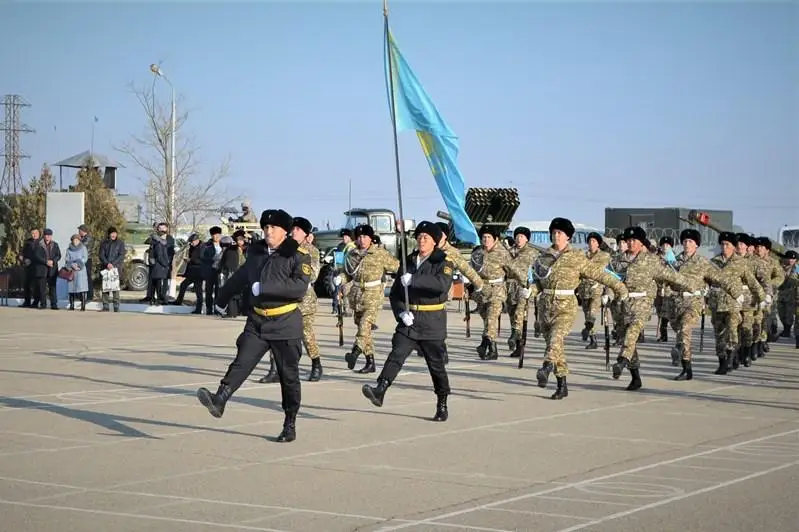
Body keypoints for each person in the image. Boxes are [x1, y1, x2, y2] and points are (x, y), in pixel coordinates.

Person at [196, 209, 312, 443]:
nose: (268, 232)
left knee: (288, 376)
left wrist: (265, 288)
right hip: (258, 320)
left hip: (285, 322)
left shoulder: (297, 255)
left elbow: (299, 288)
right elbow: (241, 277)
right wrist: (221, 300)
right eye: (266, 228)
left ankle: (290, 423)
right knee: (242, 360)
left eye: (274, 228)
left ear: (284, 231)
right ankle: (220, 398)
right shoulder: (257, 251)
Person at [362, 221, 454, 421]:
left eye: (426, 237)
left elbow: (441, 285)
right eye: (419, 236)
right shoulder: (408, 261)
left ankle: (442, 402)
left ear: (435, 242)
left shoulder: (443, 262)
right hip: (410, 320)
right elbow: (395, 294)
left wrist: (415, 280)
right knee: (397, 354)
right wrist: (401, 312)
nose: (421, 240)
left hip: (432, 321)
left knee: (436, 366)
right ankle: (381, 388)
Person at [532, 218, 628, 399]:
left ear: (568, 236)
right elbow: (539, 281)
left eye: (559, 233)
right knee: (556, 346)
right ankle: (562, 385)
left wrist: (619, 288)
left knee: (556, 338)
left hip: (565, 306)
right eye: (553, 232)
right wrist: (529, 290)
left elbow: (599, 274)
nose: (556, 235)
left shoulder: (576, 257)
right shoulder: (543, 257)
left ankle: (546, 367)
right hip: (546, 306)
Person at [65, 234, 89, 311]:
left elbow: (85, 258)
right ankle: (72, 305)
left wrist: (78, 264)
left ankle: (83, 306)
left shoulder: (83, 248)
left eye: (77, 240)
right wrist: (72, 264)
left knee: (82, 288)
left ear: (79, 241)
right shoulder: (69, 249)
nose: (75, 241)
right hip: (72, 270)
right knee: (71, 288)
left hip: (80, 270)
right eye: (74, 240)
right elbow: (67, 259)